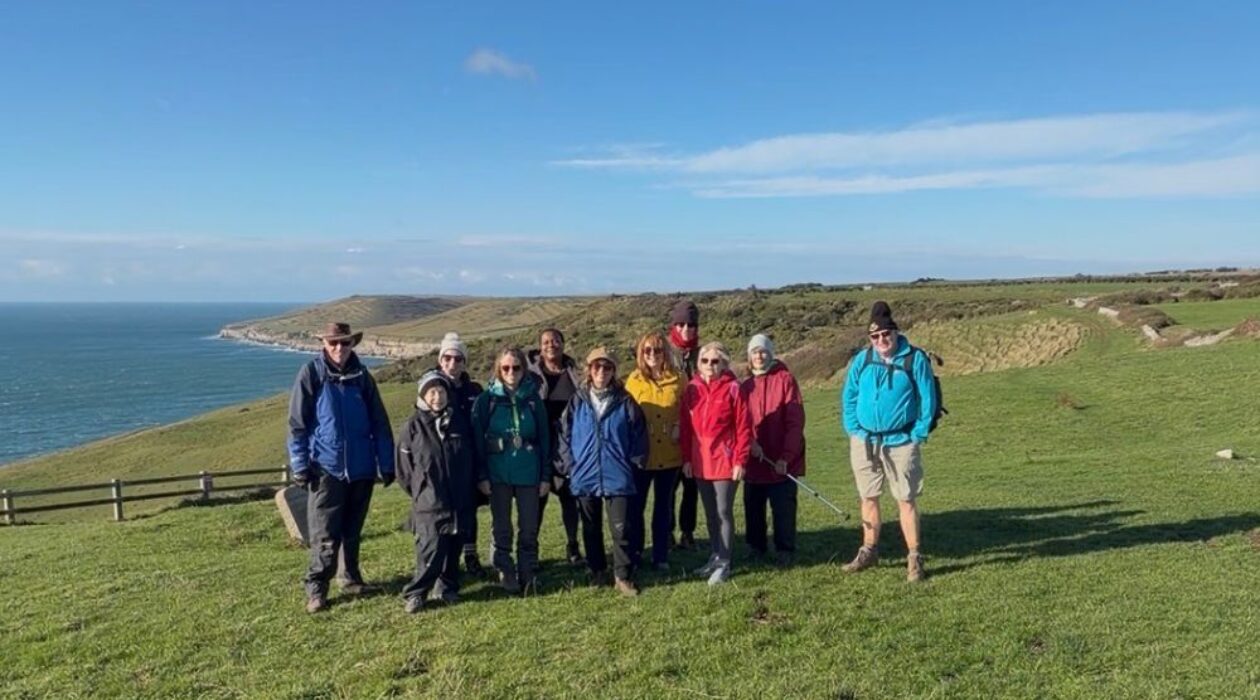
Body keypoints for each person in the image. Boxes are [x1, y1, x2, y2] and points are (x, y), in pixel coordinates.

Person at [287, 322, 395, 613]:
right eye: (333, 343)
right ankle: (317, 588)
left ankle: (350, 578)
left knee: (352, 530)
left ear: (352, 344)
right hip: (326, 467)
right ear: (324, 343)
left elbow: (380, 423)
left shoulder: (363, 377)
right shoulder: (312, 374)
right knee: (324, 533)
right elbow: (298, 424)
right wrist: (299, 463)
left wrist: (387, 463)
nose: (339, 349)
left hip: (361, 468)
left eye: (344, 343)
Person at [840, 301, 937, 582]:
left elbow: (927, 400)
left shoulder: (914, 359)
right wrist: (854, 428)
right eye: (875, 336)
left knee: (905, 498)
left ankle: (914, 557)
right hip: (865, 441)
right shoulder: (863, 360)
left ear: (895, 332)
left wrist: (917, 434)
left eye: (886, 334)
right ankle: (868, 550)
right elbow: (849, 397)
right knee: (868, 496)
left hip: (902, 440)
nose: (882, 340)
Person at [558, 347, 648, 597]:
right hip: (584, 473)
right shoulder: (577, 400)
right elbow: (563, 435)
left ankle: (623, 576)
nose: (601, 372)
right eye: (596, 366)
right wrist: (570, 465)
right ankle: (597, 570)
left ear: (613, 371)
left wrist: (634, 465)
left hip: (617, 474)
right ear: (589, 370)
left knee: (621, 528)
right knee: (590, 527)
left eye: (607, 367)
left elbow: (639, 437)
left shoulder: (626, 401)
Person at [471, 346, 552, 594]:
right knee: (502, 526)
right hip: (498, 473)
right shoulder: (487, 400)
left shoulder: (532, 398)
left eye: (516, 367)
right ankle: (505, 569)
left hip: (529, 471)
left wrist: (546, 476)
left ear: (523, 370)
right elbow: (477, 441)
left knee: (528, 526)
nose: (511, 372)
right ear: (498, 369)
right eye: (505, 367)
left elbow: (545, 439)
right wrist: (482, 476)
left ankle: (528, 571)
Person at [396, 372, 477, 613]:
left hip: (459, 498)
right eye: (431, 392)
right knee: (431, 550)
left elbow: (470, 458)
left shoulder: (459, 422)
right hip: (430, 501)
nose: (437, 397)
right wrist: (422, 490)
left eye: (441, 392)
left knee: (453, 548)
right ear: (422, 395)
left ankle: (447, 587)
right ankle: (416, 592)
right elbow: (404, 471)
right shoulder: (413, 426)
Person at [680, 341, 751, 586]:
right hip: (701, 461)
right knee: (710, 513)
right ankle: (715, 554)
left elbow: (744, 428)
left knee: (723, 512)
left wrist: (740, 460)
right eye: (705, 361)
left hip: (725, 461)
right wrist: (687, 459)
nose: (710, 365)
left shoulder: (733, 388)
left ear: (724, 364)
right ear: (698, 363)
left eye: (715, 361)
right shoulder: (691, 389)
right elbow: (687, 428)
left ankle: (725, 562)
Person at [741, 334, 805, 567]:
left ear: (771, 353)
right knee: (753, 506)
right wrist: (749, 442)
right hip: (755, 459)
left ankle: (784, 548)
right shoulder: (745, 386)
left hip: (781, 459)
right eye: (754, 352)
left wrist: (786, 456)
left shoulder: (785, 380)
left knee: (783, 507)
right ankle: (755, 546)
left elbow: (794, 422)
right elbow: (740, 422)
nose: (759, 356)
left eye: (763, 351)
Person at [623, 330, 684, 571]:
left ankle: (661, 555)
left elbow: (687, 410)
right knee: (635, 508)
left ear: (665, 352)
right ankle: (635, 554)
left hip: (670, 455)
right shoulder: (633, 380)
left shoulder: (679, 379)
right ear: (640, 353)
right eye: (647, 350)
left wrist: (680, 425)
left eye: (657, 350)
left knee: (663, 508)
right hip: (641, 457)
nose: (652, 355)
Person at [527, 328, 584, 566]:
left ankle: (572, 546)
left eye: (556, 341)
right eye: (546, 342)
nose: (551, 345)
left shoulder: (574, 373)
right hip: (538, 448)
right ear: (540, 347)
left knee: (569, 501)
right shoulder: (530, 375)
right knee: (535, 504)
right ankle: (532, 550)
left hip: (567, 448)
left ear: (563, 343)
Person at [433, 332, 487, 576]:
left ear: (464, 362)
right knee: (444, 510)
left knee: (470, 508)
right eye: (447, 358)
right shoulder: (434, 388)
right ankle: (443, 559)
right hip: (444, 461)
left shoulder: (475, 389)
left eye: (458, 359)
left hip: (471, 457)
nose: (452, 364)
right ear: (440, 359)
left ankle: (471, 554)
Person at [667, 299, 701, 550]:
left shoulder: (703, 355)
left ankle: (687, 531)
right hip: (669, 431)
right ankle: (666, 532)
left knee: (692, 487)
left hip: (698, 433)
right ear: (674, 325)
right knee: (669, 487)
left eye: (691, 324)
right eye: (681, 324)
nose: (686, 329)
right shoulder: (663, 353)